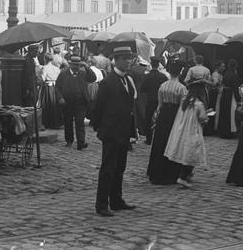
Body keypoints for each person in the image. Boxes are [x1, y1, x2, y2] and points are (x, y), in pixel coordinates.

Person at [90, 46, 138, 217]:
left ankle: (116, 200)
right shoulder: (107, 82)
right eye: (124, 58)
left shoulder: (128, 80)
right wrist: (99, 127)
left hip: (124, 130)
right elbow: (98, 108)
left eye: (130, 58)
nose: (128, 61)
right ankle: (102, 204)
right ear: (116, 60)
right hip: (111, 130)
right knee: (108, 168)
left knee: (120, 168)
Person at [146, 59, 187, 185]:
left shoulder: (163, 86)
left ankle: (156, 172)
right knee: (173, 143)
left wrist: (156, 118)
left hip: (163, 115)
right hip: (175, 115)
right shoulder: (182, 88)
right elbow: (183, 107)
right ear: (180, 72)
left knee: (160, 142)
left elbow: (159, 105)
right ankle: (170, 173)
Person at [164, 80, 208, 188]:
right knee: (193, 153)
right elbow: (202, 118)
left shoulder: (185, 101)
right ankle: (183, 176)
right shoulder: (199, 104)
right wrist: (207, 117)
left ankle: (186, 175)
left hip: (182, 129)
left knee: (185, 150)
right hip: (193, 130)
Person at [55, 55, 96, 150]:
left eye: (78, 65)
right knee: (68, 122)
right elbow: (57, 87)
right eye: (74, 65)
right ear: (70, 64)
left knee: (79, 122)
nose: (76, 67)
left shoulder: (83, 73)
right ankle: (69, 140)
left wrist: (87, 67)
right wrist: (60, 98)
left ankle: (81, 143)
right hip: (67, 102)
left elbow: (93, 78)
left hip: (80, 102)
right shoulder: (63, 74)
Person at [139, 57, 167, 145]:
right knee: (160, 120)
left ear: (151, 64)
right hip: (160, 101)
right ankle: (159, 139)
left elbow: (142, 89)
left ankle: (149, 139)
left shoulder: (147, 76)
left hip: (150, 100)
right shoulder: (163, 76)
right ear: (158, 65)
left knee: (148, 119)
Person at [216, 59, 242, 139]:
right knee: (230, 114)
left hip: (224, 93)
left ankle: (222, 131)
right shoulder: (234, 75)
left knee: (223, 112)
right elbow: (235, 88)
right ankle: (228, 132)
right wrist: (238, 98)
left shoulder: (225, 73)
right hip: (230, 94)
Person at [40, 53, 64, 129]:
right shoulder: (57, 68)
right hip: (56, 87)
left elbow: (43, 79)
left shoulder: (45, 68)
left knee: (48, 104)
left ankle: (48, 123)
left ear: (45, 59)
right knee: (56, 105)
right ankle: (57, 122)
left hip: (48, 87)